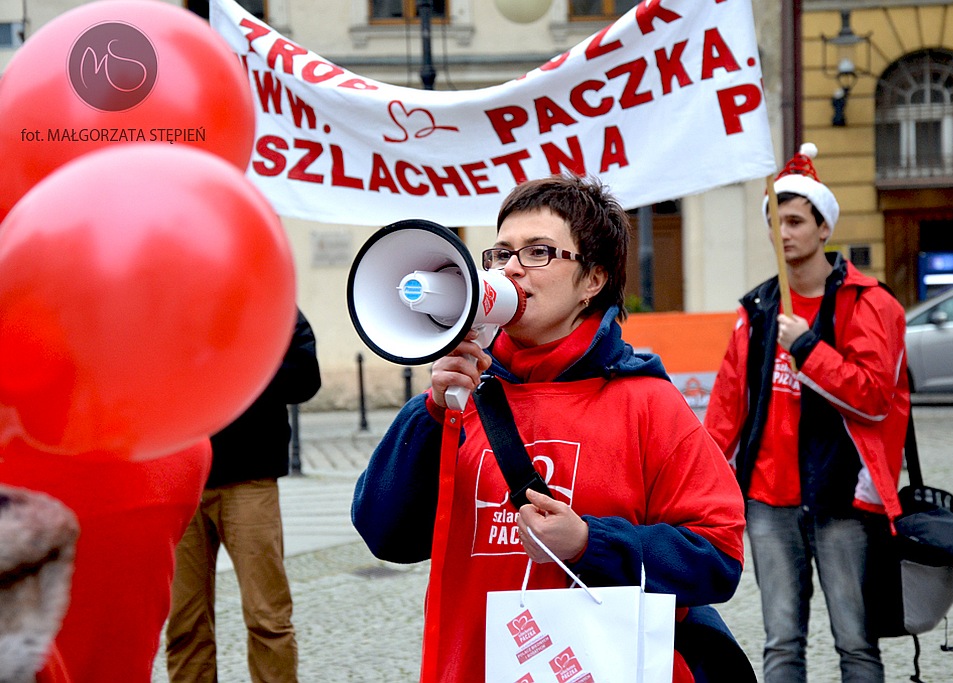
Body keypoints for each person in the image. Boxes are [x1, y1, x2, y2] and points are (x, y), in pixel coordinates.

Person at [351, 174, 747, 683]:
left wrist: (589, 543)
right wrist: (429, 413)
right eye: (500, 254)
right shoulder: (461, 398)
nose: (512, 269)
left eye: (538, 252)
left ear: (593, 281)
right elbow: (386, 536)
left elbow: (717, 557)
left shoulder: (648, 403)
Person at [703, 143, 911, 683]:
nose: (783, 232)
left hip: (842, 497)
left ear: (825, 229)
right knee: (780, 645)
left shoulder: (871, 303)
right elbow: (726, 409)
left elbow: (873, 396)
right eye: (775, 221)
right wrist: (704, 482)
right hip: (769, 502)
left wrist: (807, 349)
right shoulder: (756, 310)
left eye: (796, 220)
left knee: (856, 644)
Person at [166, 309, 321, 683]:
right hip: (178, 479)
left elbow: (305, 378)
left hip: (248, 477)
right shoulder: (163, 296)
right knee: (184, 625)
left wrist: (240, 361)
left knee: (267, 617)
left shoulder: (264, 298)